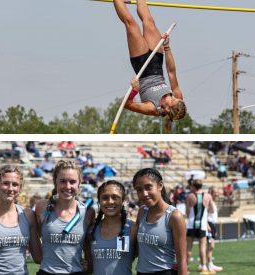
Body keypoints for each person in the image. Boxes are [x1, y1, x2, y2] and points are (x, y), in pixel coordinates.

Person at [113, 0, 186, 132]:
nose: (173, 96)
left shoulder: (152, 108)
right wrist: (167, 47)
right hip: (157, 60)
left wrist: (134, 90)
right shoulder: (178, 98)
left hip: (141, 63)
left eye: (172, 100)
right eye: (175, 98)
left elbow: (126, 104)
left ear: (167, 109)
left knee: (131, 24)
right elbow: (171, 72)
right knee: (149, 21)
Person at [35, 160, 95, 275]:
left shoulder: (88, 212)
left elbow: (88, 245)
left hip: (76, 272)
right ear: (55, 182)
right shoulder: (42, 207)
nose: (68, 186)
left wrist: (89, 266)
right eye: (62, 181)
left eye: (72, 182)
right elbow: (34, 235)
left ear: (79, 183)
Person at [133, 168, 187, 275]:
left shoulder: (174, 216)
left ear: (160, 186)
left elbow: (182, 261)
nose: (144, 194)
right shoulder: (142, 212)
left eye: (148, 187)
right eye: (139, 189)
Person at [87, 180, 137, 275]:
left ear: (124, 200)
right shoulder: (91, 230)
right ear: (99, 201)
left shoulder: (133, 228)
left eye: (115, 197)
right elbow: (89, 267)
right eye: (105, 198)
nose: (110, 201)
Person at [186, 179, 214, 274]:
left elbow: (187, 212)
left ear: (193, 186)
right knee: (202, 247)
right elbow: (212, 210)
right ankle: (203, 267)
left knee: (188, 247)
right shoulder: (207, 196)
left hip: (191, 224)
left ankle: (187, 268)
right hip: (202, 225)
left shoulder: (190, 196)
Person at [206, 187, 223, 272]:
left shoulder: (213, 202)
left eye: (217, 192)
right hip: (209, 225)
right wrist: (207, 225)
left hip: (213, 225)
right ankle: (207, 265)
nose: (217, 194)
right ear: (210, 193)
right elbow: (204, 214)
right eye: (215, 192)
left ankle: (210, 264)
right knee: (210, 246)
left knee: (211, 247)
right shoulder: (208, 201)